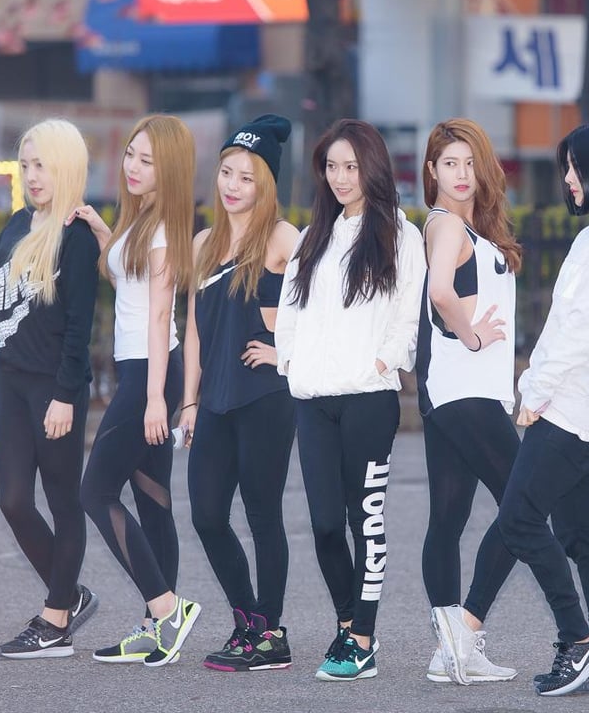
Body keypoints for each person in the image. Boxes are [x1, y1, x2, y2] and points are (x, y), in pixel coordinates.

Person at [436, 120, 589, 696]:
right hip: (575, 403)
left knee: (520, 519)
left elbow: (582, 330)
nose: (570, 178)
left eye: (577, 167)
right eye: (567, 168)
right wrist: (537, 382)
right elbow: (563, 324)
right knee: (582, 535)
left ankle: (579, 639)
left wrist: (535, 390)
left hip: (571, 408)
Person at [274, 118, 425, 681]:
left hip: (368, 399)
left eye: (351, 167)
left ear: (373, 169)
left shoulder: (401, 236)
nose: (340, 178)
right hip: (314, 400)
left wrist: (382, 363)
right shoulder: (313, 237)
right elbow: (289, 310)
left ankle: (362, 638)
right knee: (323, 525)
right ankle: (347, 625)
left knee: (366, 522)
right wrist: (290, 363)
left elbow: (407, 316)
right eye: (332, 167)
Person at [69, 114, 200, 667]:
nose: (133, 166)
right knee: (153, 499)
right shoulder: (141, 219)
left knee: (95, 491)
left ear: (169, 170)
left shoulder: (163, 229)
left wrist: (153, 399)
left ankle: (167, 608)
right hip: (143, 370)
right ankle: (157, 628)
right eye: (131, 154)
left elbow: (159, 314)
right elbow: (128, 282)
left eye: (148, 160)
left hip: (151, 371)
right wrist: (105, 233)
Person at [0, 118, 100, 659]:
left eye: (41, 165)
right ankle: (67, 594)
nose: (31, 176)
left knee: (63, 501)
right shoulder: (19, 223)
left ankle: (55, 622)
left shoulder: (76, 238)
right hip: (12, 383)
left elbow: (79, 328)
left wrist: (66, 396)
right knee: (14, 501)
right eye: (25, 165)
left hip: (54, 388)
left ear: (65, 166)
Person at [176, 115, 300, 672]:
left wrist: (283, 352)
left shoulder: (283, 238)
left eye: (246, 177)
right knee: (206, 514)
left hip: (265, 398)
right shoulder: (204, 243)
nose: (232, 185)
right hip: (215, 403)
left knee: (262, 515)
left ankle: (268, 634)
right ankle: (250, 622)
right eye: (227, 172)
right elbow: (194, 330)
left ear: (266, 184)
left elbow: (320, 307)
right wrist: (189, 401)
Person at [415, 118, 522, 685]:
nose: (461, 174)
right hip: (464, 391)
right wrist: (472, 336)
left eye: (469, 163)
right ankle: (466, 630)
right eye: (449, 163)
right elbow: (439, 291)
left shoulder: (468, 229)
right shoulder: (447, 225)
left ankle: (451, 651)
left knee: (448, 519)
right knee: (524, 502)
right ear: (431, 171)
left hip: (456, 393)